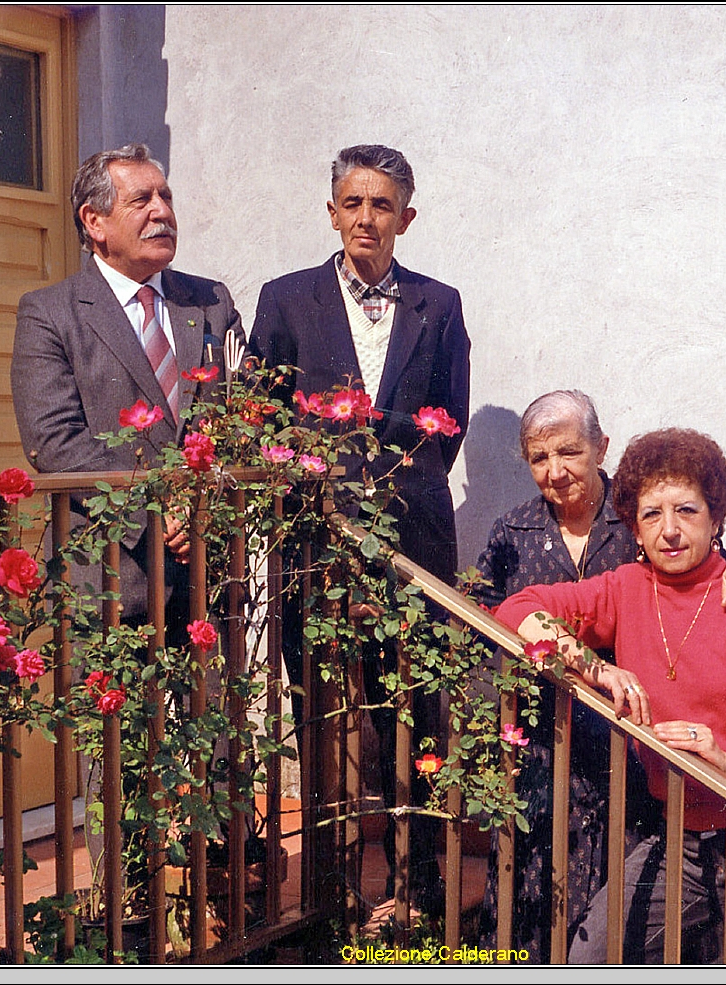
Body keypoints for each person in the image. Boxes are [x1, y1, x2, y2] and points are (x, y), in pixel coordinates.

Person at [494, 427, 726, 964]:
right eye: (652, 514)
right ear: (633, 525)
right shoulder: (626, 589)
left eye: (687, 511)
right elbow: (518, 609)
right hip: (680, 829)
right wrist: (593, 667)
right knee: (592, 955)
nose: (670, 531)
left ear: (717, 519)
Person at [248, 144, 470, 912]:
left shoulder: (438, 305)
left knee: (418, 708)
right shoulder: (285, 299)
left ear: (406, 217)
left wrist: (374, 430)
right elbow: (260, 416)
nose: (366, 217)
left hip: (416, 543)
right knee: (324, 711)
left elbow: (448, 427)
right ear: (332, 211)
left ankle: (422, 888)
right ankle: (332, 893)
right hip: (315, 544)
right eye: (353, 202)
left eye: (382, 205)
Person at [11, 142, 243, 624]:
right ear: (94, 222)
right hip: (110, 578)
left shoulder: (209, 301)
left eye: (166, 196)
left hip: (207, 576)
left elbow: (240, 412)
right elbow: (54, 442)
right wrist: (155, 514)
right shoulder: (51, 313)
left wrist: (201, 511)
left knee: (216, 703)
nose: (162, 211)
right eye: (142, 201)